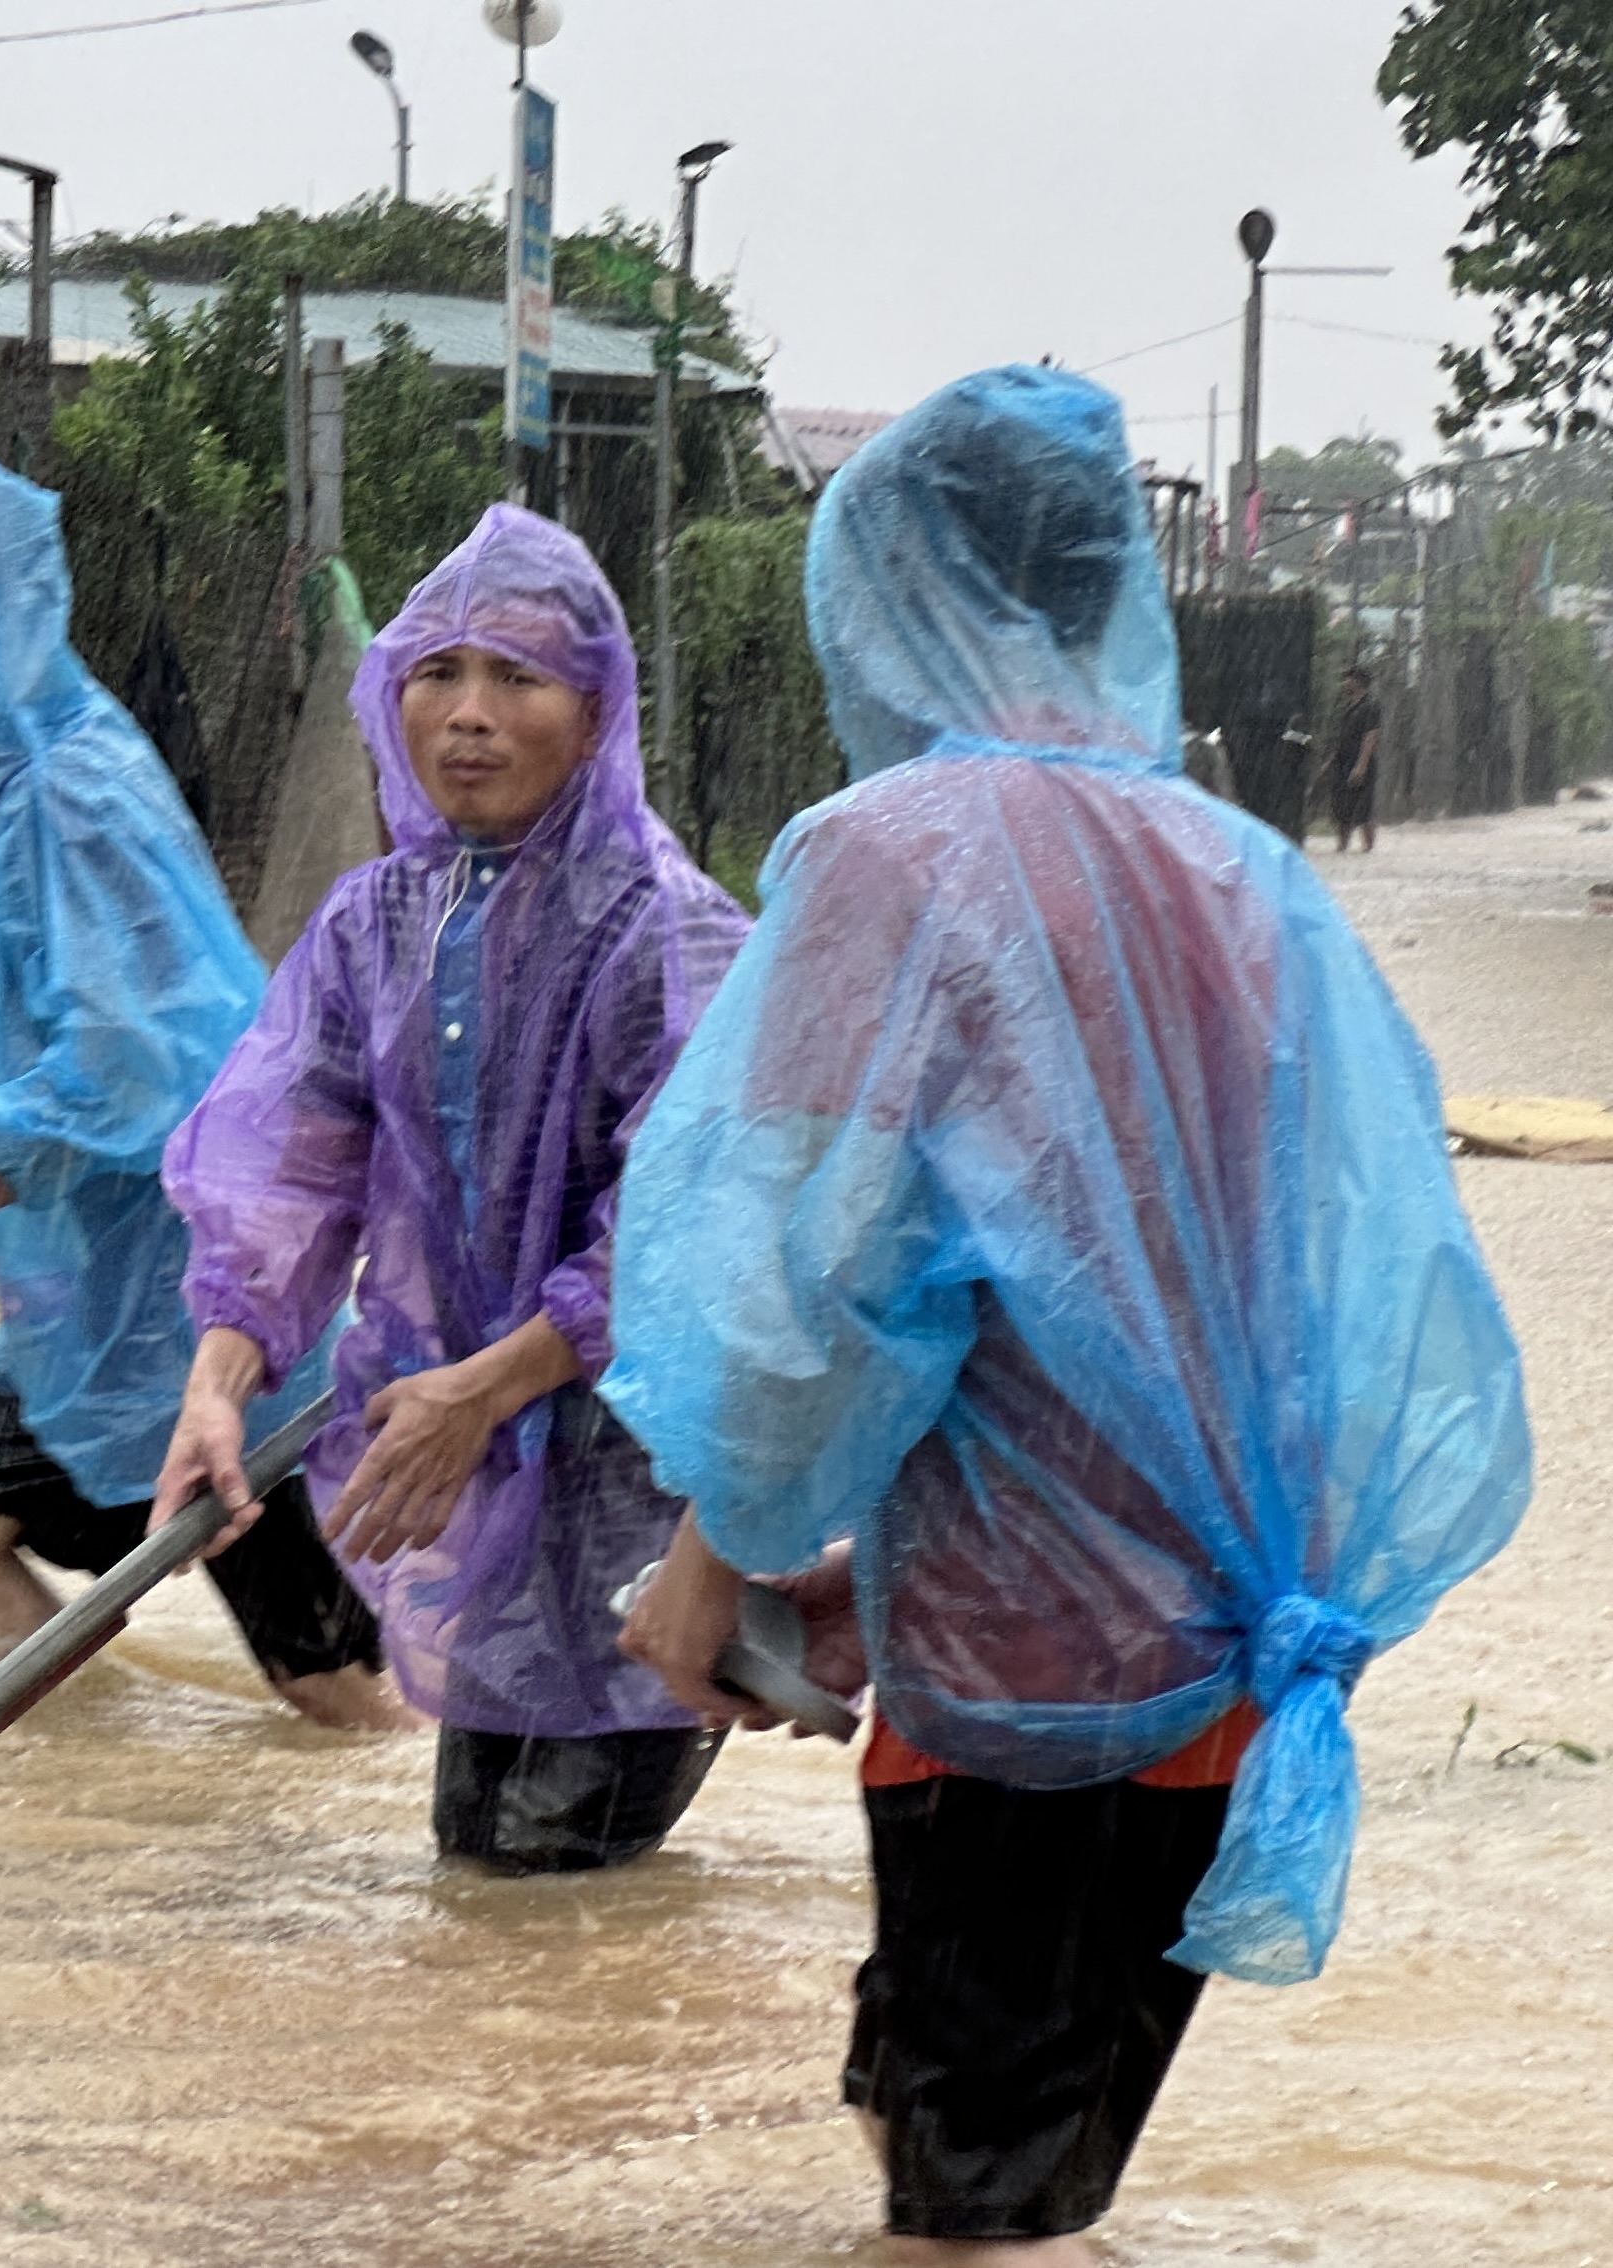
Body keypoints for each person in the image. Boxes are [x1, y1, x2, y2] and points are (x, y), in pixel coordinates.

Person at [603, 367, 1530, 2260]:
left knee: (963, 2220)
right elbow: (1254, 1317)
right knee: (1004, 2192)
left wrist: (718, 1553)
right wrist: (889, 1555)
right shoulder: (1242, 872)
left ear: (886, 583)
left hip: (1017, 1698)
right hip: (1222, 1660)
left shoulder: (891, 856)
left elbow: (825, 1292)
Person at [154, 504, 756, 1873]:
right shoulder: (379, 924)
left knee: (552, 1884)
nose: (469, 715)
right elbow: (289, 1172)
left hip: (638, 1495)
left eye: (517, 677)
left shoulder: (674, 937)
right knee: (485, 1882)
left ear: (596, 714)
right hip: (472, 1483)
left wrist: (486, 1388)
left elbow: (685, 1239)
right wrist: (219, 1382)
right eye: (438, 672)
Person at [0, 458, 403, 1730]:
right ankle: (100, 1787)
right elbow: (11, 1062)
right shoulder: (0, 774)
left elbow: (123, 1071)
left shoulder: (75, 789)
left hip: (199, 1301)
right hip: (86, 1308)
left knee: (334, 1689)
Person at [1326, 663, 1382, 851]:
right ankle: (1342, 844)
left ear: (1358, 681)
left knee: (1363, 806)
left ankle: (1368, 846)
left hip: (1360, 760)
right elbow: (1343, 736)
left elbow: (1371, 736)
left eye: (1349, 679)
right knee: (1342, 804)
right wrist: (1331, 759)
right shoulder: (1348, 707)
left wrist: (1361, 765)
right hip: (1343, 761)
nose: (1345, 683)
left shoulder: (1371, 706)